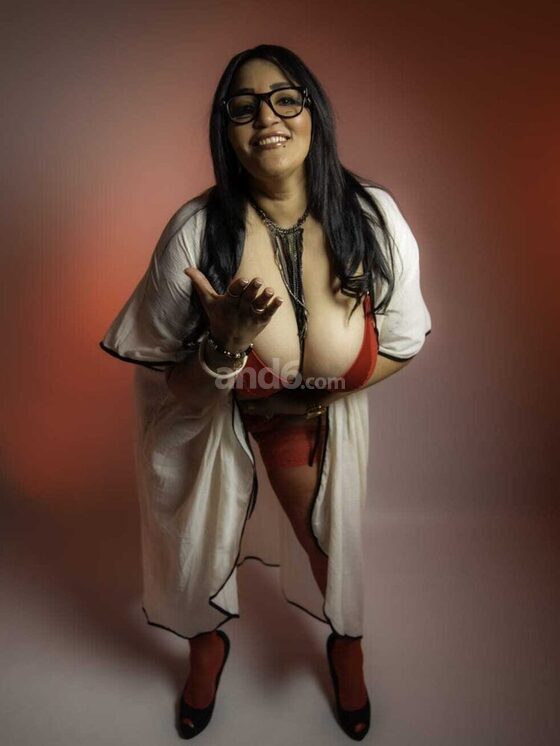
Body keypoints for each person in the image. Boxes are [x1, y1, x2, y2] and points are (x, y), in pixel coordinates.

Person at [100, 44, 432, 741]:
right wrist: (224, 345)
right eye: (243, 107)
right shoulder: (196, 233)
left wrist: (307, 399)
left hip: (301, 417)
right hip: (203, 416)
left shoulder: (370, 218)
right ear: (225, 130)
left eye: (285, 99)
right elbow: (173, 383)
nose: (267, 119)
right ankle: (206, 648)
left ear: (313, 112)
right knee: (198, 543)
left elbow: (402, 341)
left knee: (327, 542)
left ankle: (347, 644)